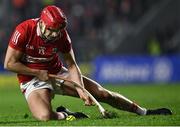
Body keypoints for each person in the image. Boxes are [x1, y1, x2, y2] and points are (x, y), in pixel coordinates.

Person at [4, 5, 172, 121]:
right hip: (32, 79)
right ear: (41, 23)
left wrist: (80, 89)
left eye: (58, 31)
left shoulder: (62, 36)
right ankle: (67, 115)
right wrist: (36, 73)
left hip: (57, 73)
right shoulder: (24, 30)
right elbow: (9, 64)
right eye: (52, 31)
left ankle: (143, 112)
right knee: (45, 117)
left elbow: (71, 65)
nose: (55, 35)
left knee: (102, 94)